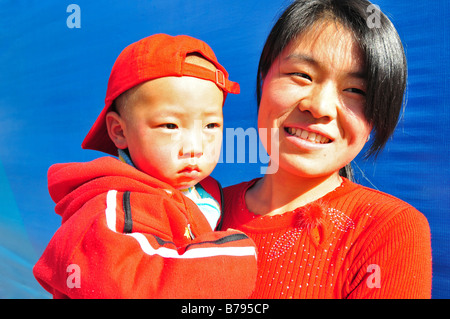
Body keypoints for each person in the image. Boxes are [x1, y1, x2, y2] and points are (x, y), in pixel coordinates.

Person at [221, 0, 432, 298]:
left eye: (356, 91)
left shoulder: (388, 229)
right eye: (302, 75)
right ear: (263, 77)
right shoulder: (200, 209)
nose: (319, 107)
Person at [33, 33, 257, 299]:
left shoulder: (207, 195)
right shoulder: (112, 204)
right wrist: (232, 258)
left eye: (210, 125)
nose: (195, 147)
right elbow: (127, 286)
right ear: (119, 132)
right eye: (170, 126)